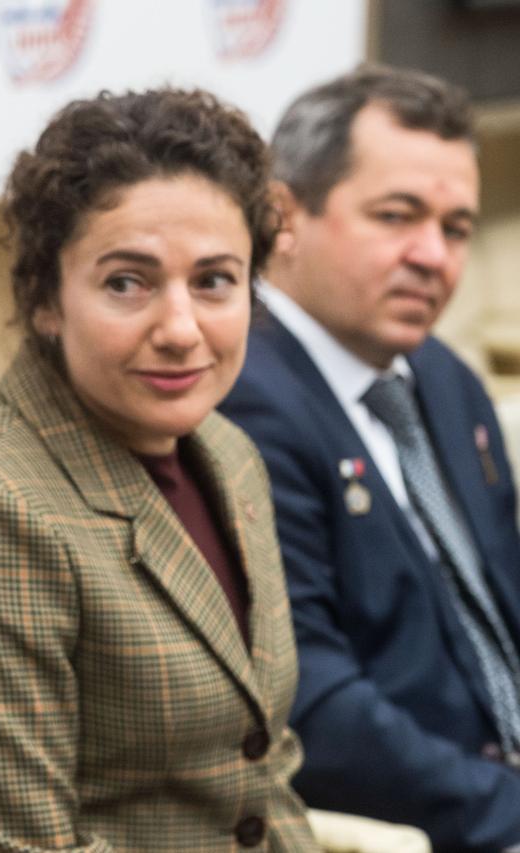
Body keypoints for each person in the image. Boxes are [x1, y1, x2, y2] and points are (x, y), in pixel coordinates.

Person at [0, 90, 319, 852]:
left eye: (215, 279)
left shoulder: (230, 454)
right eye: (127, 282)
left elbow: (262, 772)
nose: (181, 329)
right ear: (46, 297)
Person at [219, 65, 520, 850]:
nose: (434, 255)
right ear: (283, 215)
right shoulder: (240, 405)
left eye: (456, 228)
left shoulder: (439, 375)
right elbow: (316, 709)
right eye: (398, 216)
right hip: (424, 821)